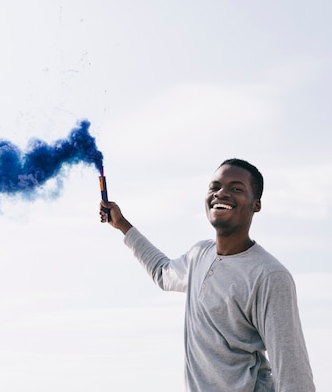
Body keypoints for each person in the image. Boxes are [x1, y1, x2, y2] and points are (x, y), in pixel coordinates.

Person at [99, 159, 315, 392]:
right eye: (214, 187)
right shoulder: (198, 255)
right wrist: (121, 224)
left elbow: (292, 372)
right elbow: (162, 273)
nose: (221, 193)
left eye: (236, 189)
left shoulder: (270, 275)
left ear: (256, 204)